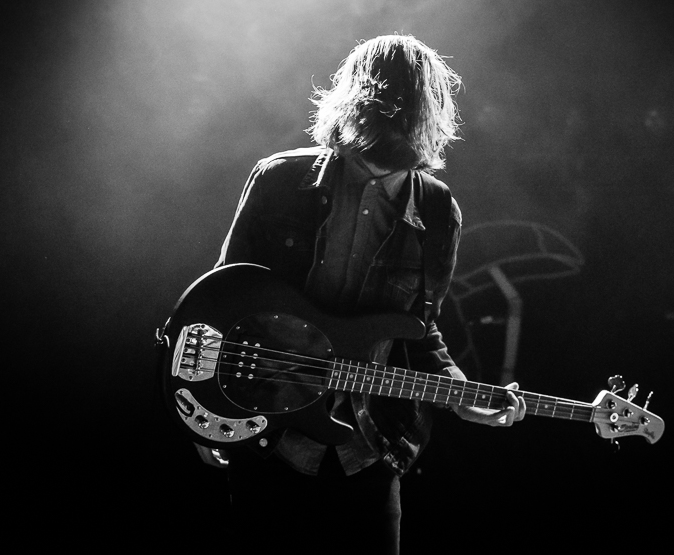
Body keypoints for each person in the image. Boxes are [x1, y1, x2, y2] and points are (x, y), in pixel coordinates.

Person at [205, 34, 525, 553]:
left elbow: (420, 330)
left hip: (369, 445)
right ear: (359, 101)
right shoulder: (281, 180)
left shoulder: (439, 212)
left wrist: (462, 394)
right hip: (270, 437)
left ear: (424, 116)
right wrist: (209, 412)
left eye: (405, 110)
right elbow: (222, 301)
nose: (392, 122)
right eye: (384, 105)